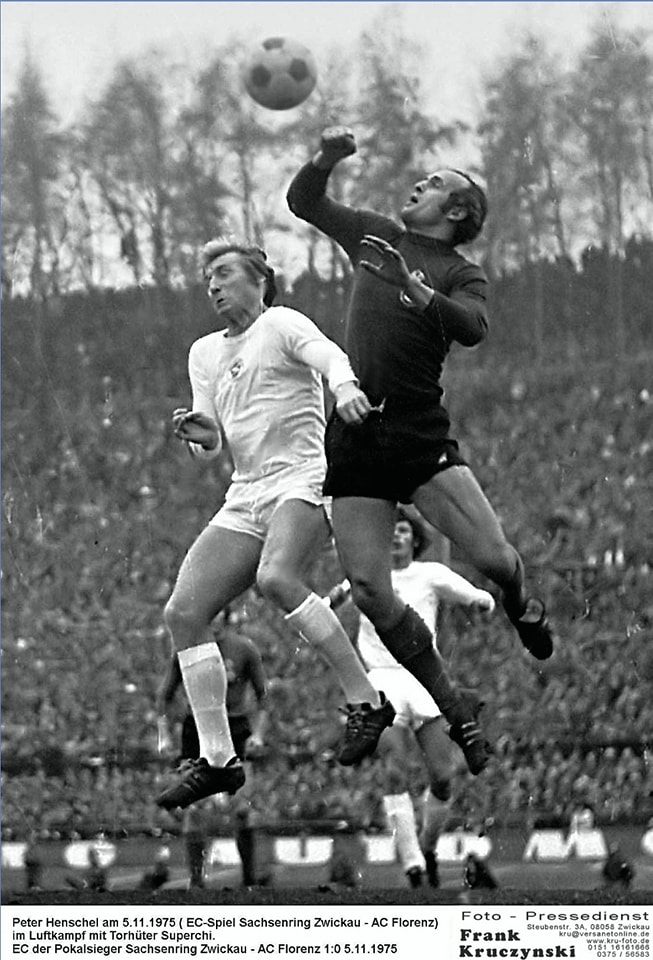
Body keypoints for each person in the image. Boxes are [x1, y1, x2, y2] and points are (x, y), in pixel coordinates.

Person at [287, 128, 555, 775]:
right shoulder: (376, 234)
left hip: (416, 435)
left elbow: (473, 327)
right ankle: (454, 709)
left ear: (457, 211)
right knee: (369, 590)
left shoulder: (460, 272)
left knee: (493, 559)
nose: (419, 185)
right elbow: (304, 203)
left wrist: (418, 291)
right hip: (356, 436)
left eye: (435, 184)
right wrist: (325, 159)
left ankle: (520, 604)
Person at [156, 240, 393, 812]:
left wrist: (347, 388)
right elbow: (213, 441)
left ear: (259, 278)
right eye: (207, 278)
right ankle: (218, 759)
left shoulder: (282, 323)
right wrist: (200, 435)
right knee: (183, 613)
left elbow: (330, 356)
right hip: (247, 493)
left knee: (277, 577)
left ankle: (367, 700)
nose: (213, 286)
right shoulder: (204, 352)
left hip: (302, 478)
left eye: (223, 273)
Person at [327, 507, 495, 888]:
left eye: (403, 531)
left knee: (443, 776)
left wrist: (481, 600)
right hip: (381, 681)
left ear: (415, 539)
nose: (396, 537)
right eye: (391, 530)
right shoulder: (367, 574)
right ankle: (413, 866)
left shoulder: (429, 574)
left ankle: (428, 846)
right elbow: (333, 599)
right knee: (393, 769)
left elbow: (470, 593)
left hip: (423, 679)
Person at [157, 614, 269, 887]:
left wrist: (258, 733)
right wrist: (164, 735)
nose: (213, 621)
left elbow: (263, 696)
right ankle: (197, 882)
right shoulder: (185, 649)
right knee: (195, 811)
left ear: (226, 616)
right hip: (196, 729)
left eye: (218, 615)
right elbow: (164, 696)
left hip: (235, 727)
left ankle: (249, 879)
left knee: (242, 809)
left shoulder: (244, 648)